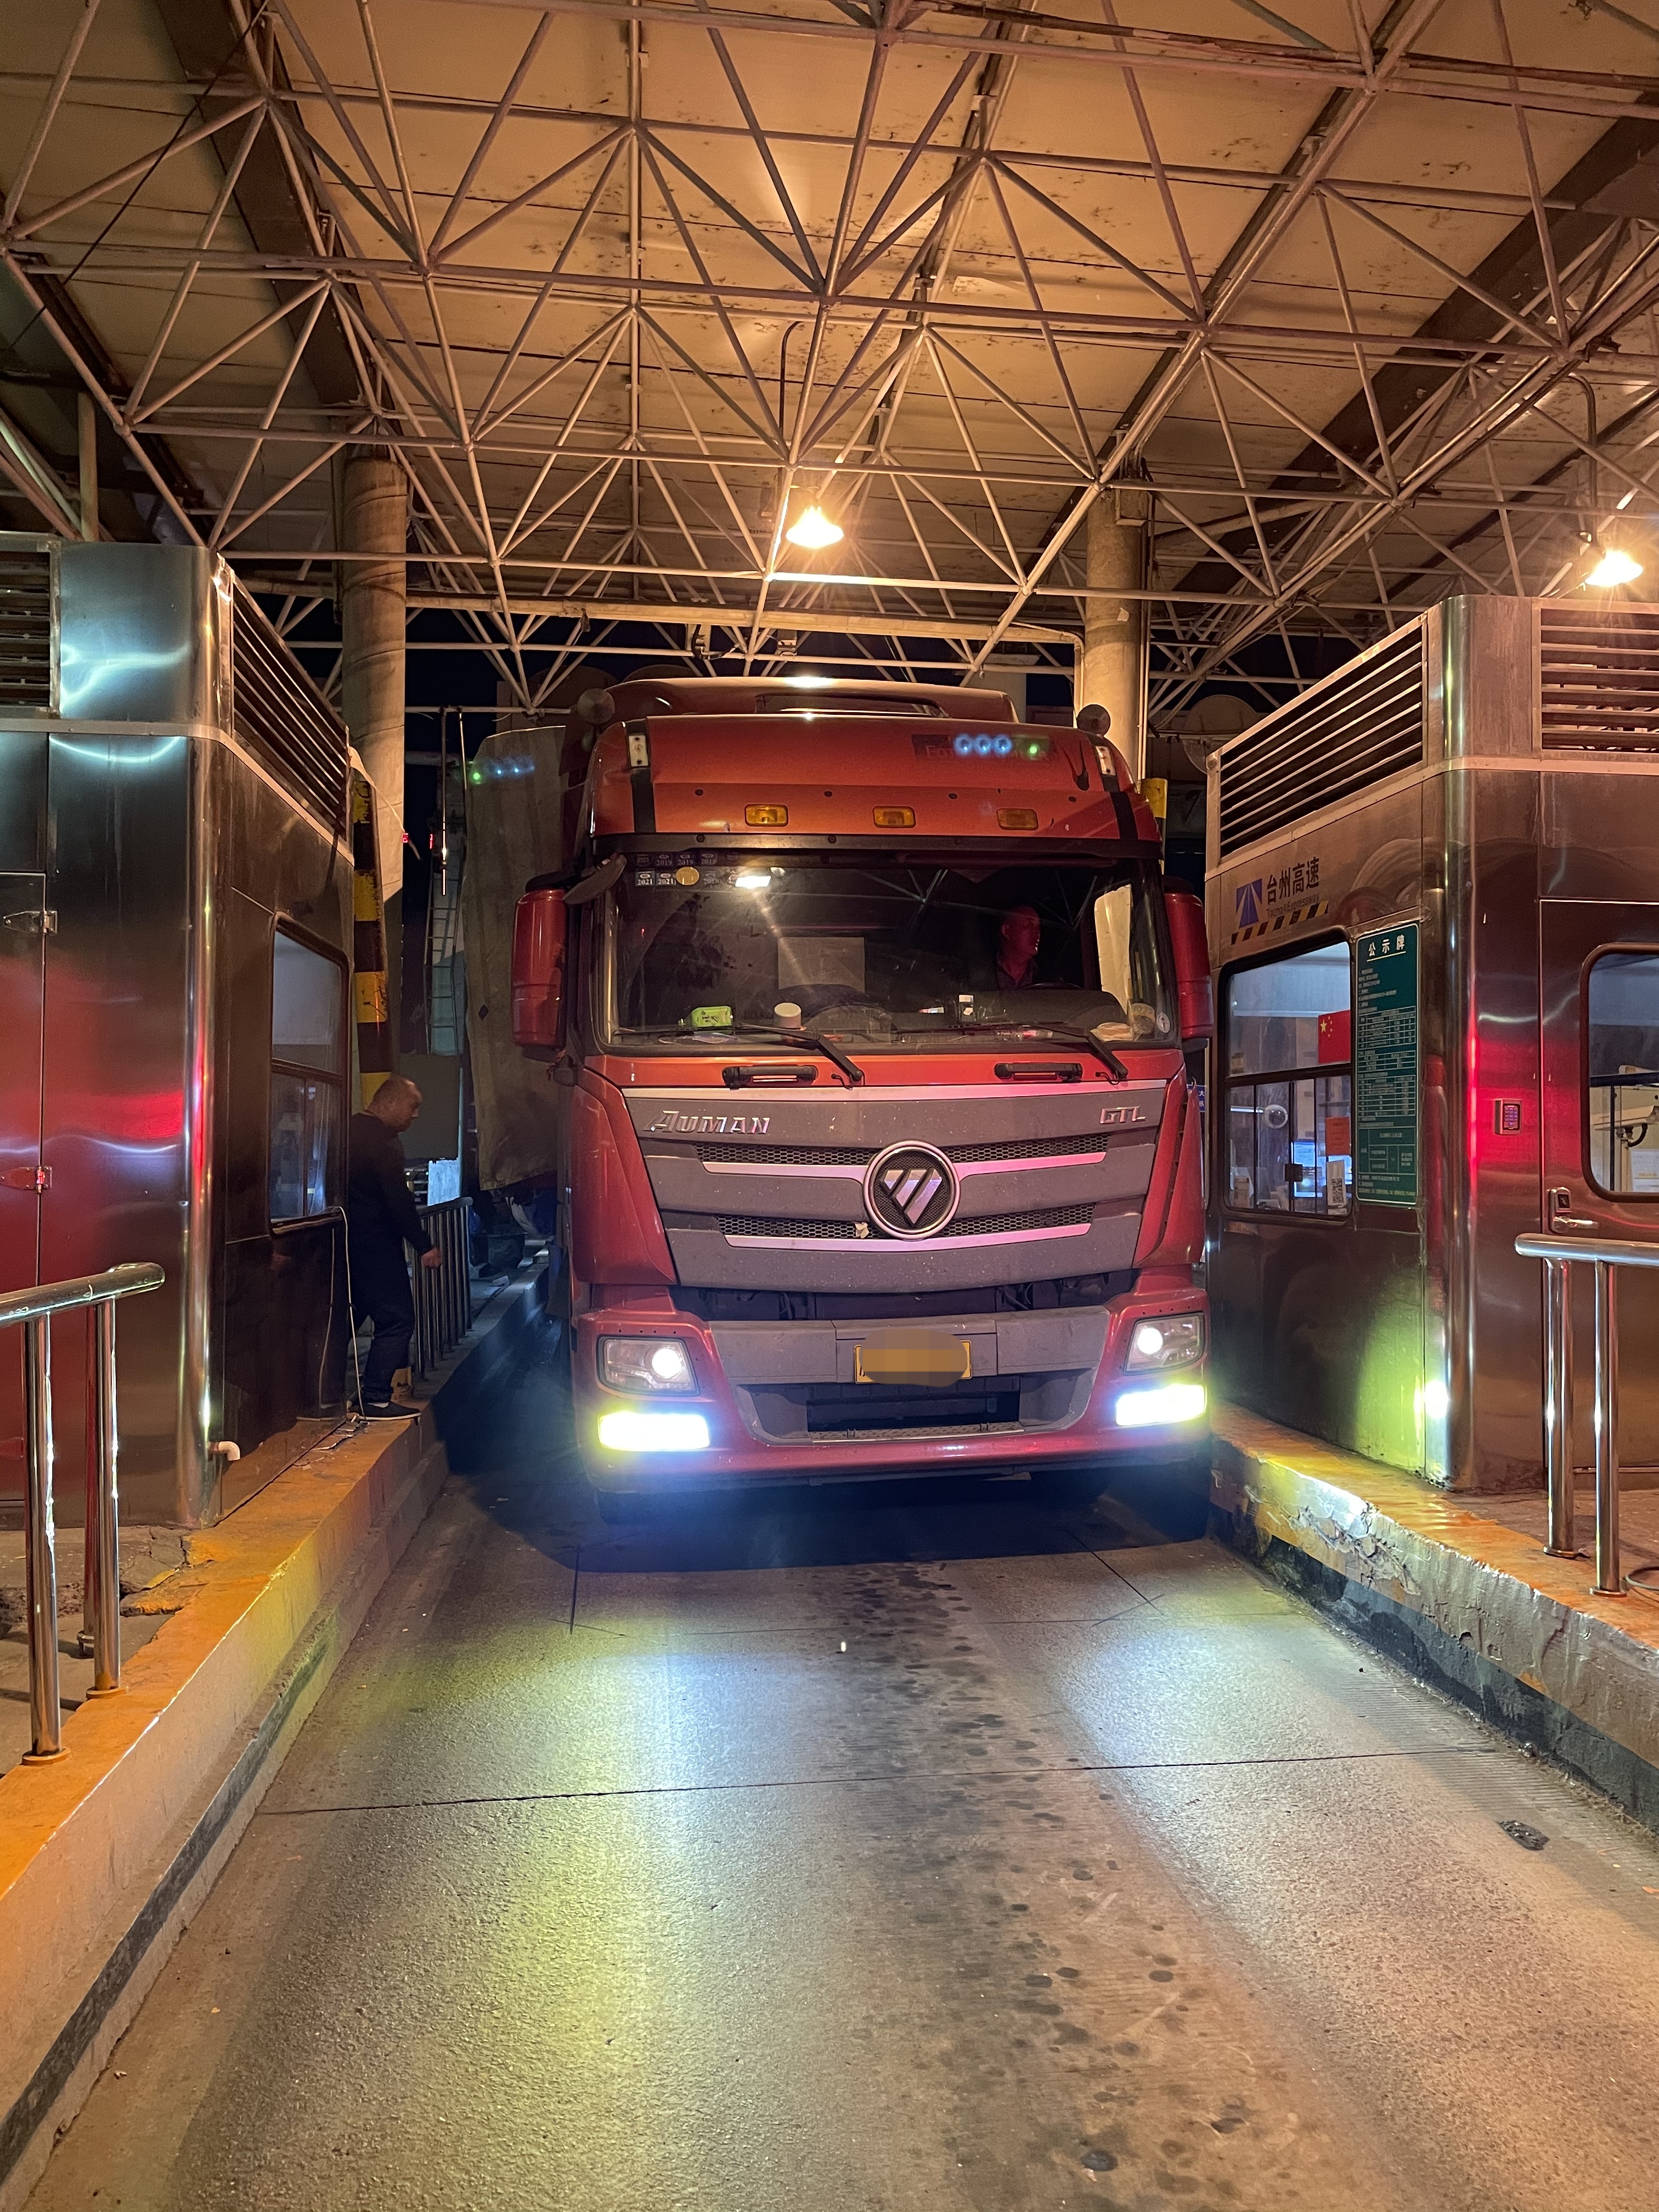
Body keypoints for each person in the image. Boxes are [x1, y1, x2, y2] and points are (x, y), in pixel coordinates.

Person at [346, 1075, 442, 1418]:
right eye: (413, 1106)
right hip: (378, 1246)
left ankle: (322, 1394)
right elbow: (397, 1199)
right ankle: (374, 1397)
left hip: (344, 1243)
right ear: (390, 1102)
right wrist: (424, 1245)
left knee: (347, 1320)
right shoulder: (384, 1142)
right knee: (397, 1320)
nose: (415, 1115)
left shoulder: (346, 1130)